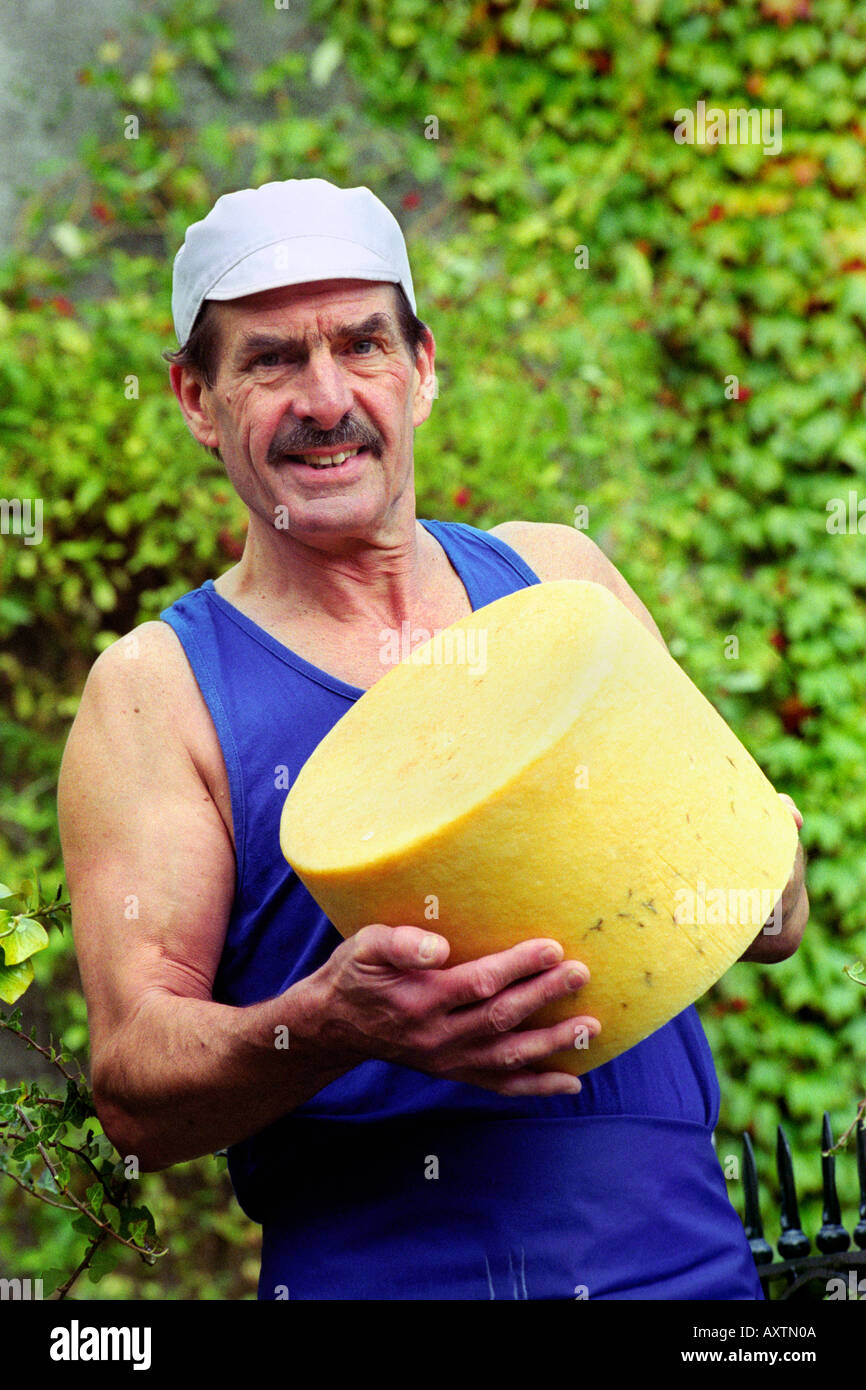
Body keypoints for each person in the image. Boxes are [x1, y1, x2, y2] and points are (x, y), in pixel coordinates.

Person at [57, 178, 808, 1300]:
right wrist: (318, 1027)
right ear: (194, 399)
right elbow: (131, 1090)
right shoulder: (156, 693)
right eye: (268, 361)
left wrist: (750, 864)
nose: (325, 398)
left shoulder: (556, 582)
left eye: (362, 343)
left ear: (421, 367)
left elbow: (773, 913)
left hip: (689, 1278)